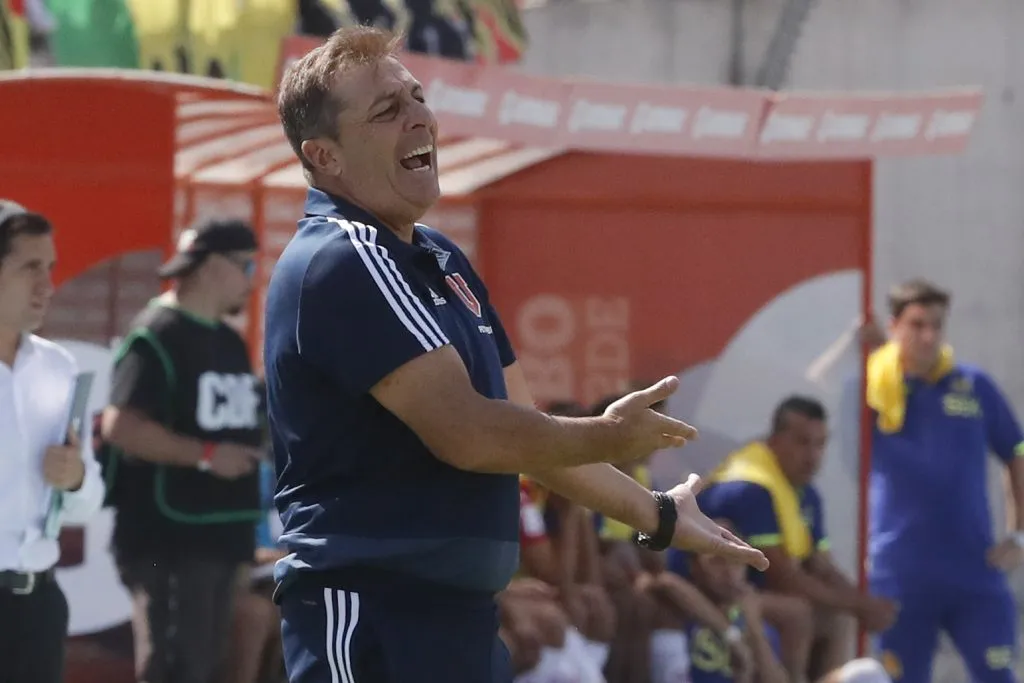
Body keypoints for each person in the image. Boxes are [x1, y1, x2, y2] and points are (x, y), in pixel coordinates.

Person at [265, 24, 768, 683]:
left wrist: (661, 513)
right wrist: (609, 433)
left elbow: (528, 434)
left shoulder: (437, 257)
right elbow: (470, 435)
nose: (419, 116)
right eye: (388, 110)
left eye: (417, 97)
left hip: (457, 619)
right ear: (324, 156)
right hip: (373, 617)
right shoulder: (343, 256)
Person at [100, 218, 265, 683]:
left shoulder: (229, 341)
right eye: (246, 266)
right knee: (175, 666)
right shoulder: (155, 335)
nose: (252, 283)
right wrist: (207, 455)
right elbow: (122, 426)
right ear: (212, 266)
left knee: (209, 663)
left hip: (223, 533)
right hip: (167, 537)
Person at [865, 279, 1024, 683]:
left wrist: (1019, 535)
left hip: (973, 571)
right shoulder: (873, 386)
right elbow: (813, 392)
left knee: (997, 674)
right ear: (894, 325)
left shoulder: (972, 384)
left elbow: (1017, 451)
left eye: (937, 325)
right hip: (899, 575)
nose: (929, 336)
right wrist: (854, 348)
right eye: (917, 325)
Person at [698, 396, 897, 682]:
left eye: (820, 444)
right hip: (709, 594)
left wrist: (861, 603)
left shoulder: (805, 492)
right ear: (776, 440)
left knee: (836, 617)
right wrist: (860, 606)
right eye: (803, 442)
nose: (813, 455)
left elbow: (822, 565)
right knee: (798, 612)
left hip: (751, 594)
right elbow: (782, 576)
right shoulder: (751, 489)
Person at [0, 199, 106, 683]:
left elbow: (86, 502)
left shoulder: (57, 367)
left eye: (50, 268)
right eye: (29, 268)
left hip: (37, 608)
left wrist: (77, 477)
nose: (47, 285)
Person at [684, 521, 893, 683]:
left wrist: (754, 631)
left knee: (867, 674)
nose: (729, 572)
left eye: (736, 562)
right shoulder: (680, 606)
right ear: (694, 566)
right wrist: (731, 637)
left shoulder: (758, 621)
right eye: (717, 562)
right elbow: (664, 582)